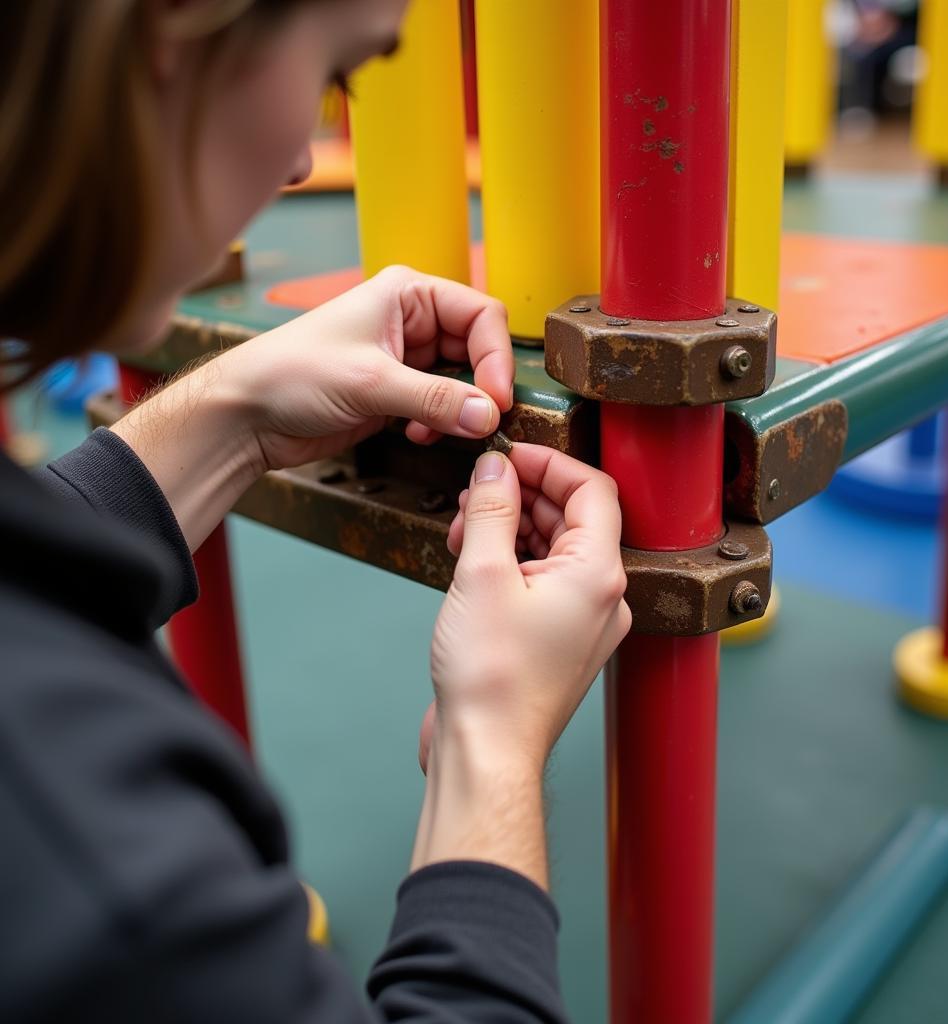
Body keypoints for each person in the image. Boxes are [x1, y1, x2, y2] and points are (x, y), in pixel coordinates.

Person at [0, 2, 631, 1021]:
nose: (300, 162)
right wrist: (491, 737)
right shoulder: (88, 854)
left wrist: (233, 413)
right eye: (336, 66)